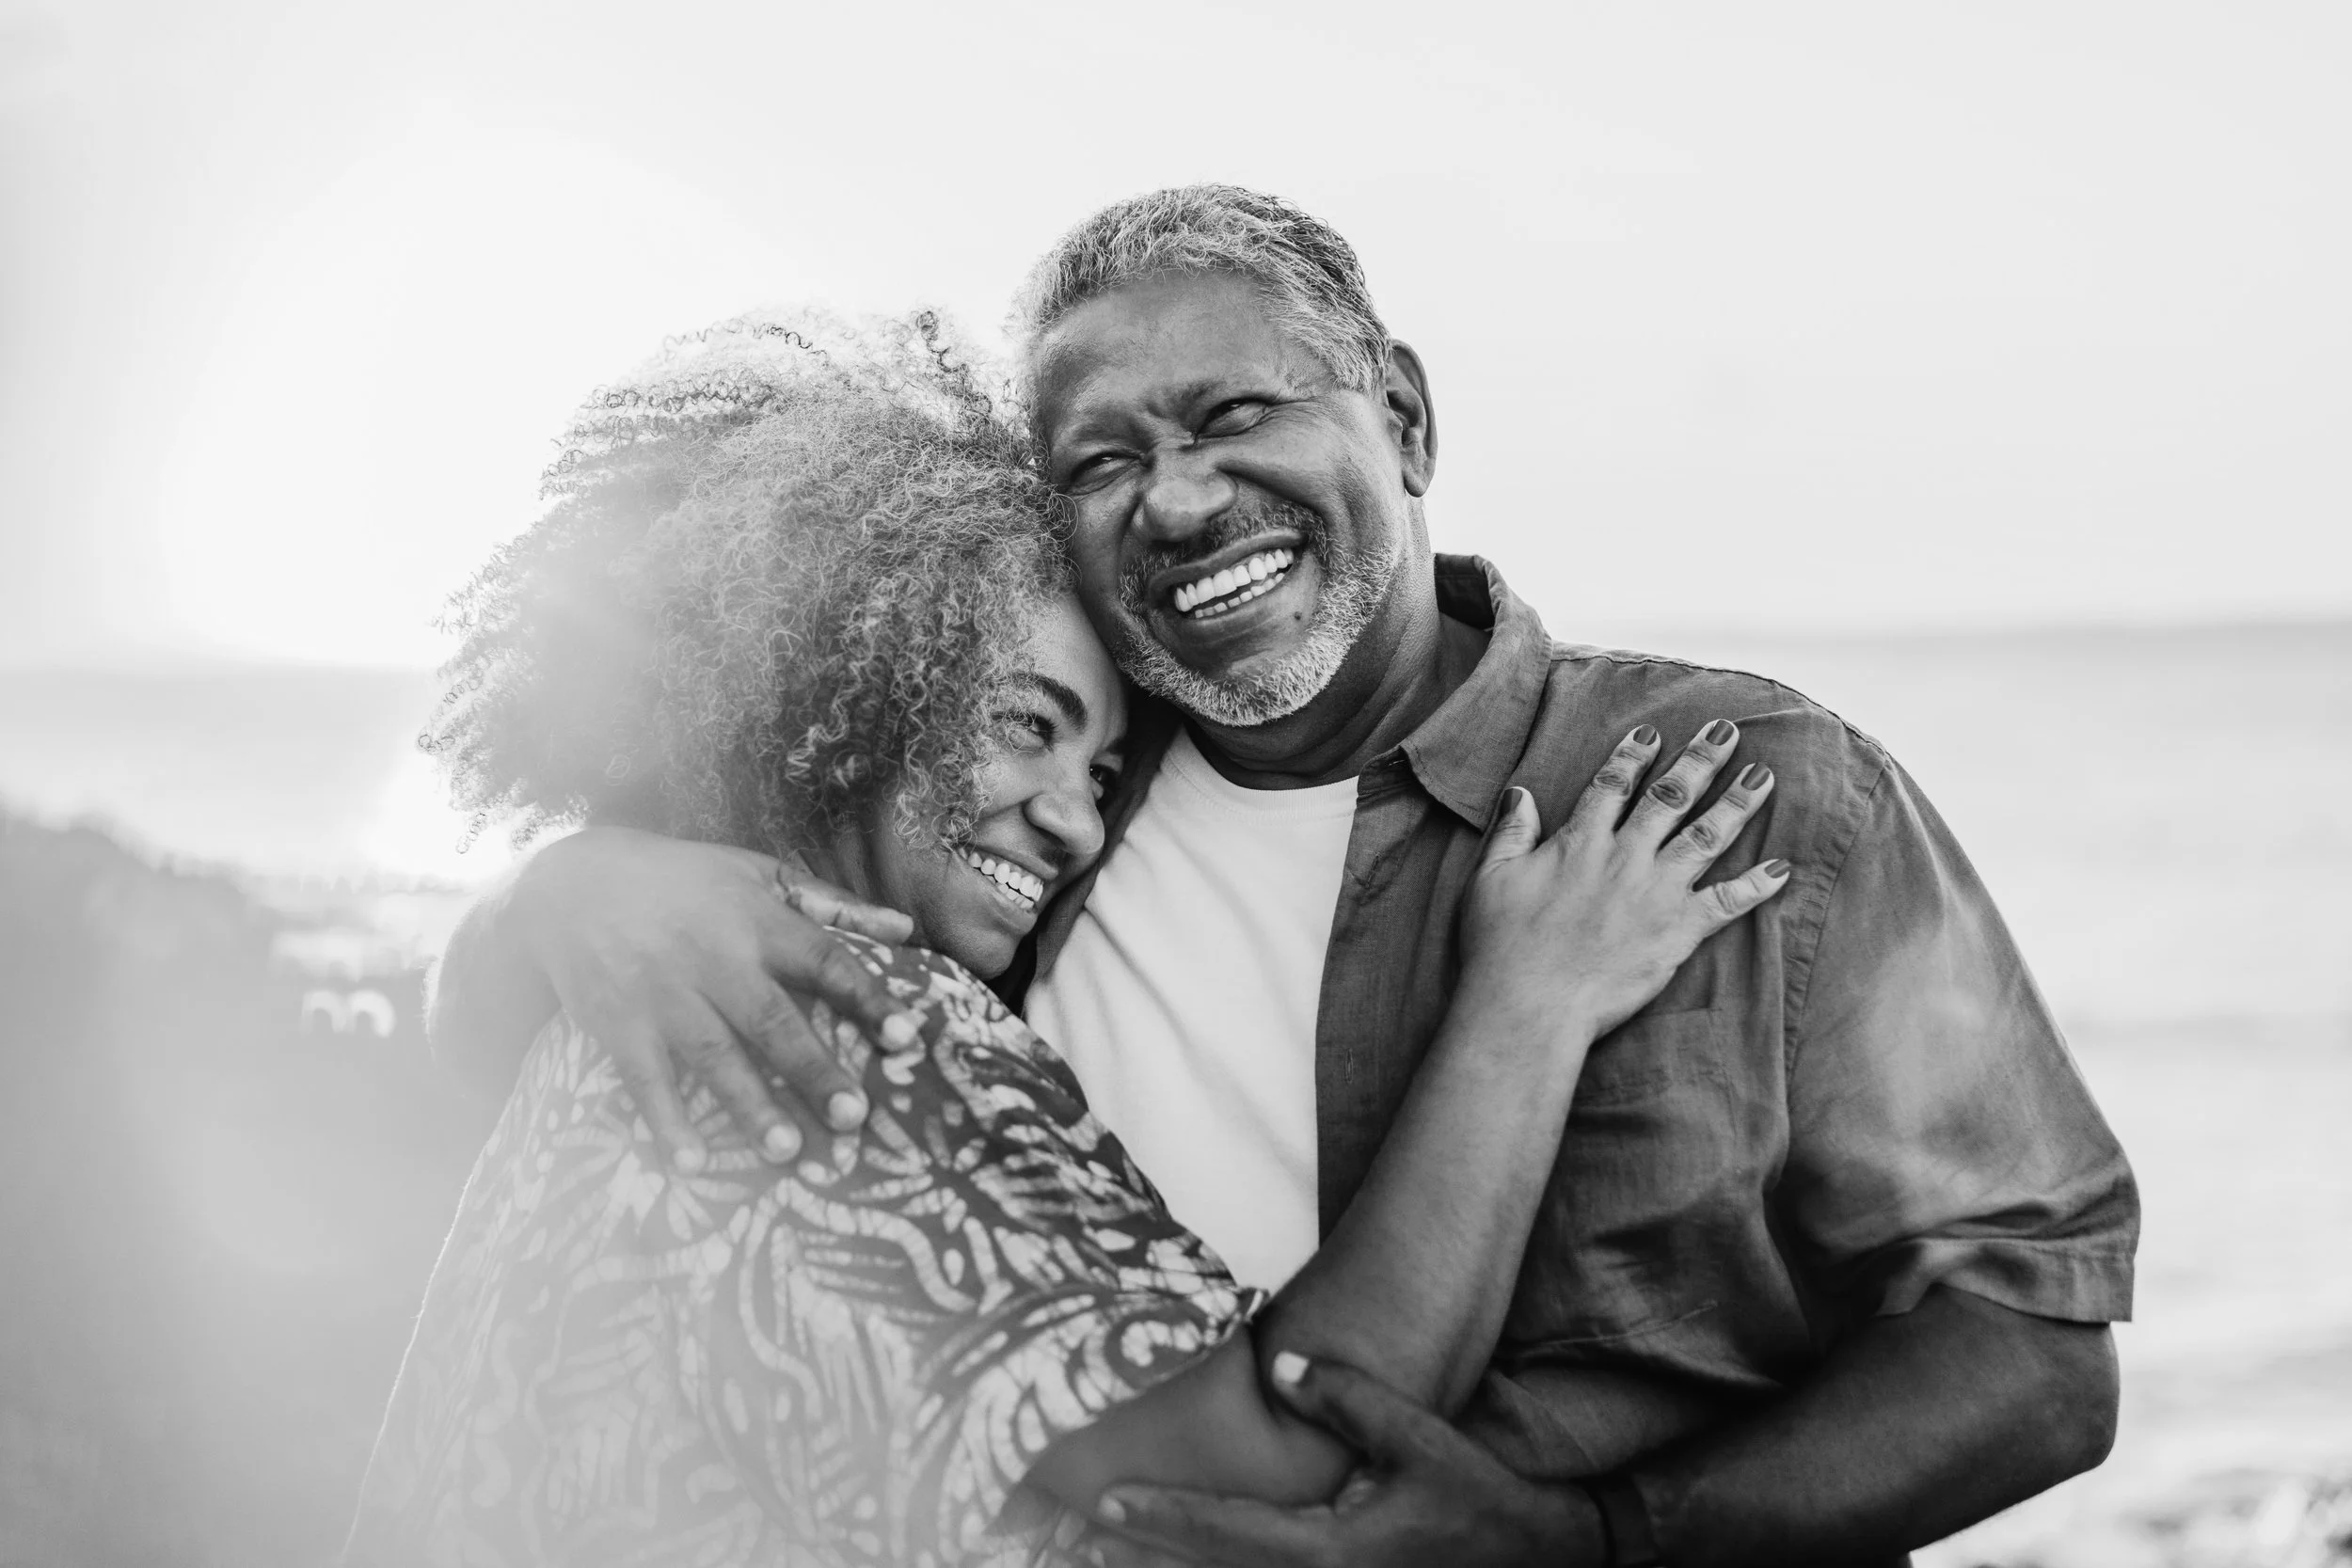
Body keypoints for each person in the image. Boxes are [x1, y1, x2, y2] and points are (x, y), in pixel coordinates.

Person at [430, 188, 2140, 1568]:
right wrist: (565, 886)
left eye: (1237, 411)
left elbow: (2035, 1349)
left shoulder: (1740, 793)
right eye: (1100, 460)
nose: (1178, 497)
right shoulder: (1015, 832)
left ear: (1400, 413)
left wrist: (1598, 1541)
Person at [347, 313, 1788, 1567]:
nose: (1076, 825)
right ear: (844, 682)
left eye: (1104, 775)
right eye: (1026, 724)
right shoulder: (859, 1016)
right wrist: (1530, 1002)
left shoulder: (641, 984)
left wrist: (564, 884)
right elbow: (1280, 1445)